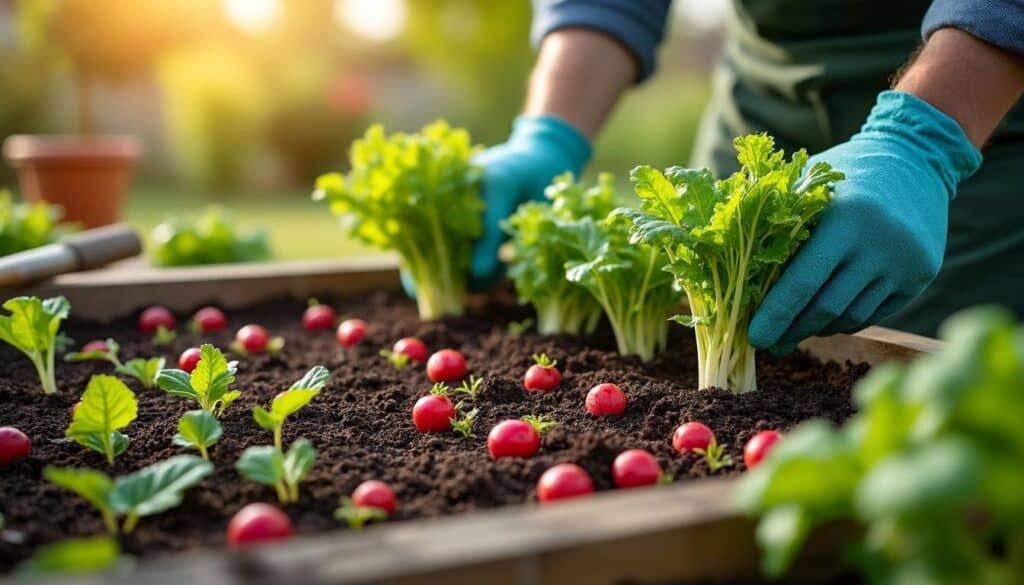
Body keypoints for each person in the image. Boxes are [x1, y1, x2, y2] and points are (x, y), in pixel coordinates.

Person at [467, 0, 1024, 350]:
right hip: (763, 102)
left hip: (976, 117)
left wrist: (924, 141)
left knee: (923, 385)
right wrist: (550, 133)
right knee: (708, 296)